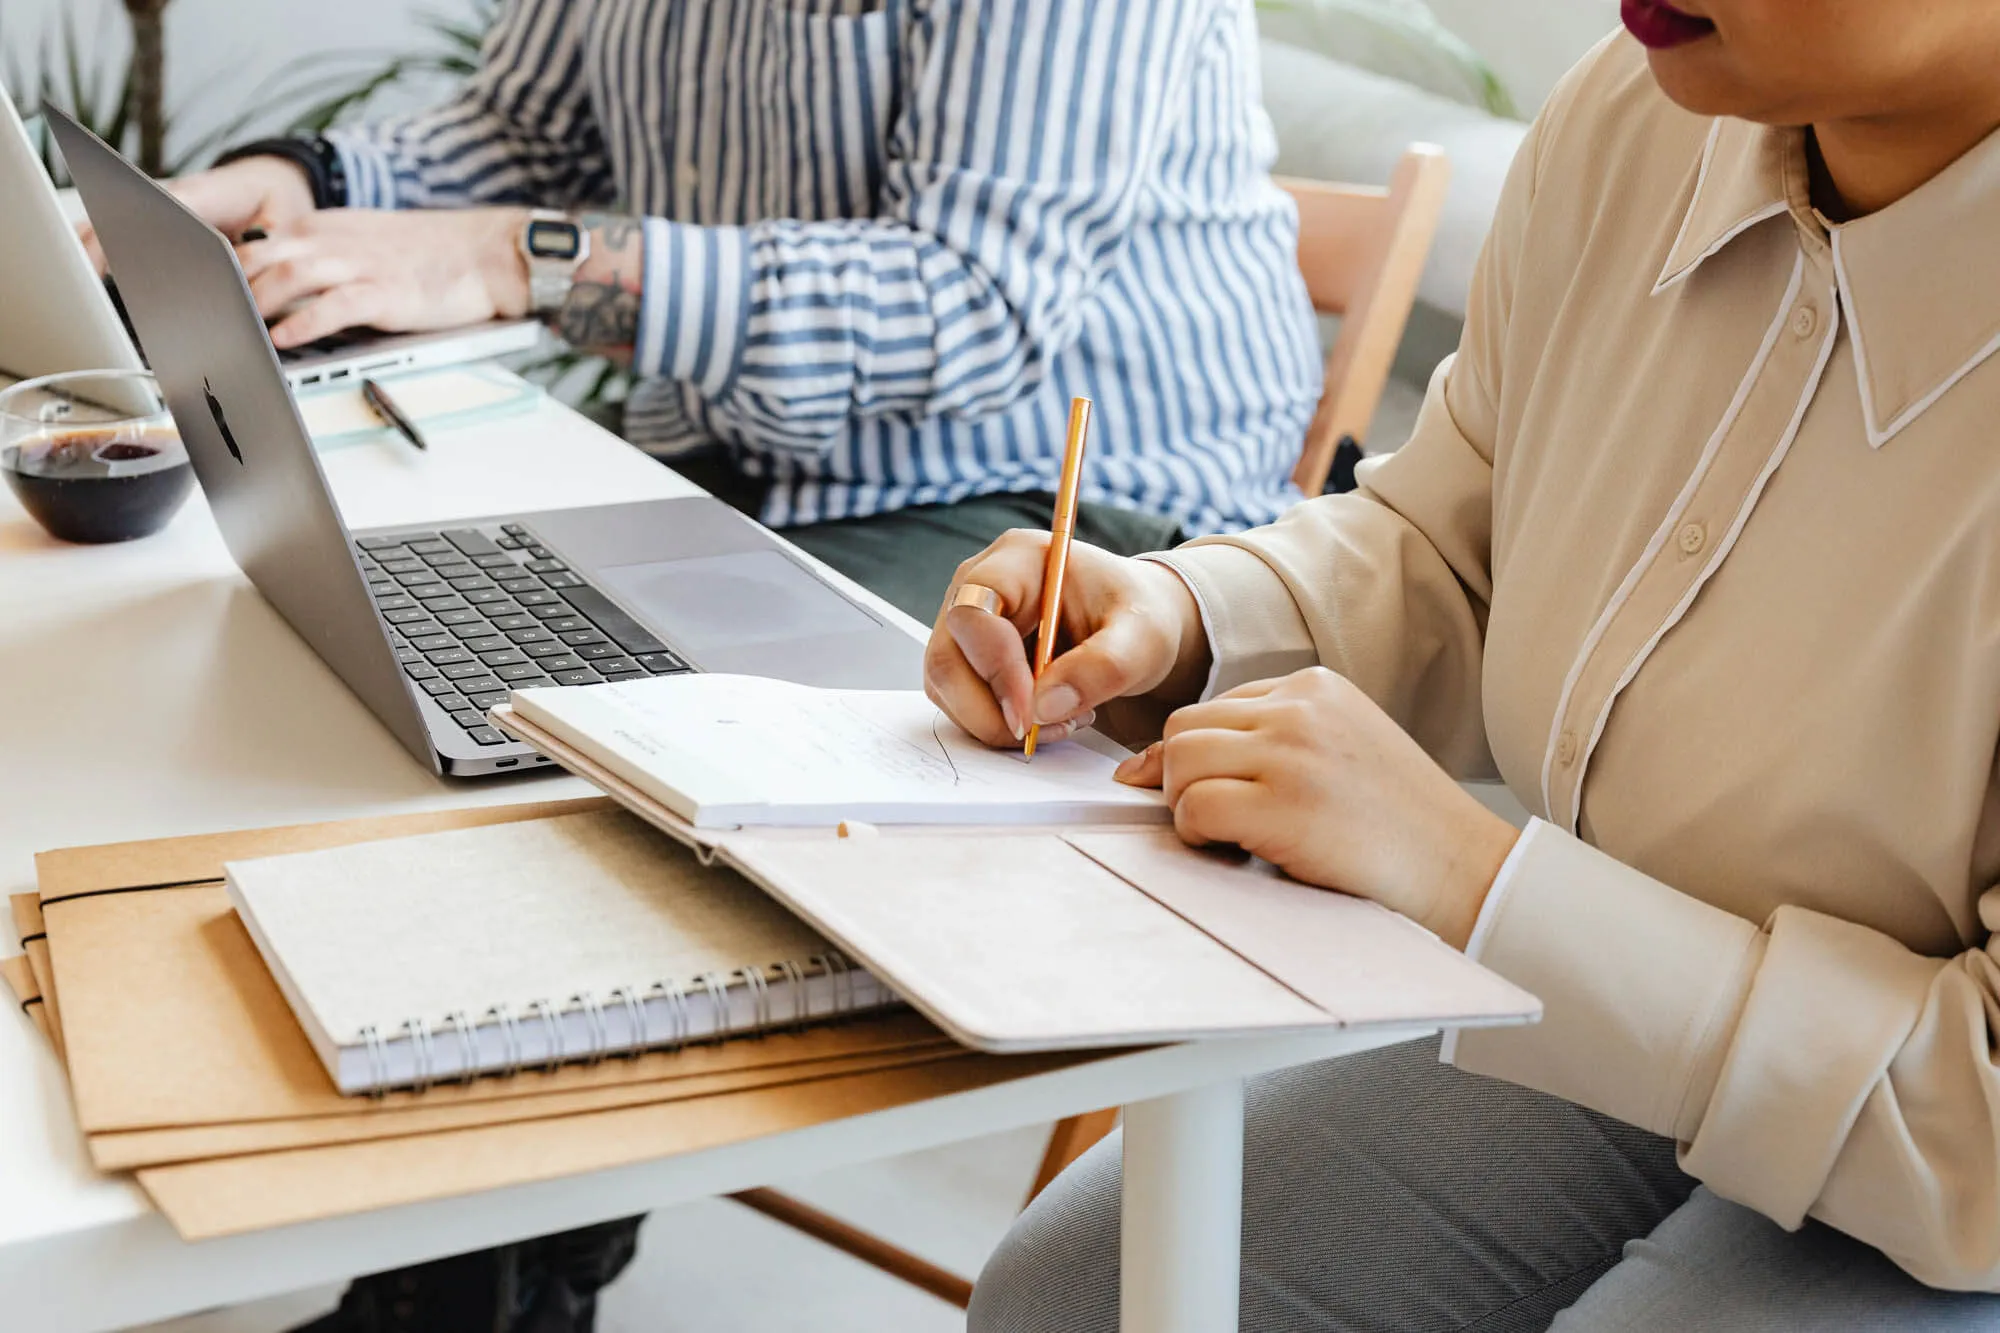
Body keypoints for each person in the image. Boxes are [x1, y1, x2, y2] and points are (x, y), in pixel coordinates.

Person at [928, 0, 2000, 1327]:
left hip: (1962, 1145)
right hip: (1635, 994)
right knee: (1082, 1299)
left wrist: (1470, 876)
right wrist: (1183, 618)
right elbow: (1458, 542)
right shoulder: (1638, 117)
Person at [124, 0, 1321, 624]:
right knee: (361, 620)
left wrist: (517, 262)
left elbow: (973, 301)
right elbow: (530, 131)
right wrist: (302, 190)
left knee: (553, 733)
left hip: (1068, 506)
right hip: (741, 472)